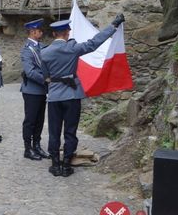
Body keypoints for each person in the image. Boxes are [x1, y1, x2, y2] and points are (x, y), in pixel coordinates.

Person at [41, 14, 125, 177]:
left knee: (54, 131)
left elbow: (46, 77)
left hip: (55, 97)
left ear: (53, 34)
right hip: (72, 96)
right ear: (67, 33)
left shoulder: (44, 53)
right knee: (70, 131)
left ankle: (55, 165)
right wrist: (113, 26)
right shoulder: (72, 48)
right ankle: (66, 165)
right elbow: (93, 44)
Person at [20, 19, 50, 160]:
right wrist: (45, 80)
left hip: (41, 90)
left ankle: (37, 145)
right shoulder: (27, 50)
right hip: (31, 90)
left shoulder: (41, 46)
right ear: (33, 32)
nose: (41, 32)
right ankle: (28, 148)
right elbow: (30, 71)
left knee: (39, 120)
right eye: (39, 30)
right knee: (30, 120)